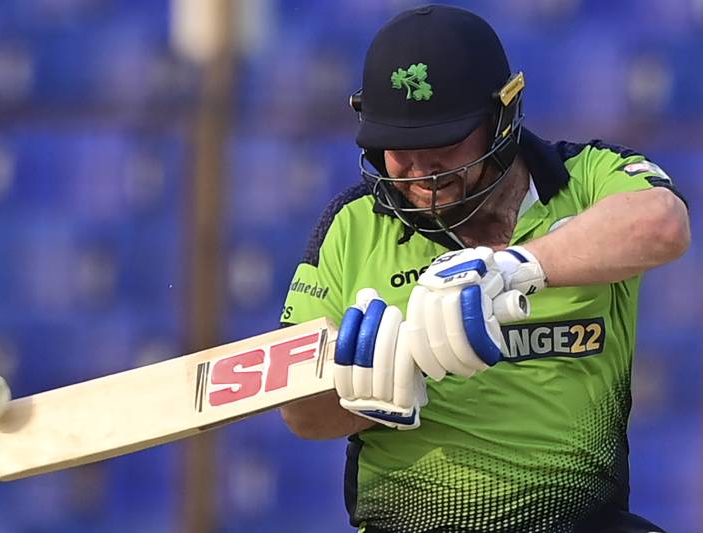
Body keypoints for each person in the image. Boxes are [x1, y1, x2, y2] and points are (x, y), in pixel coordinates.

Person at [278, 4, 690, 533]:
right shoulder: (352, 225)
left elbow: (662, 223)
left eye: (443, 142)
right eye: (399, 149)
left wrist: (515, 269)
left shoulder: (585, 178)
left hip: (577, 519)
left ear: (501, 117)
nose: (421, 172)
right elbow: (299, 414)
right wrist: (377, 392)